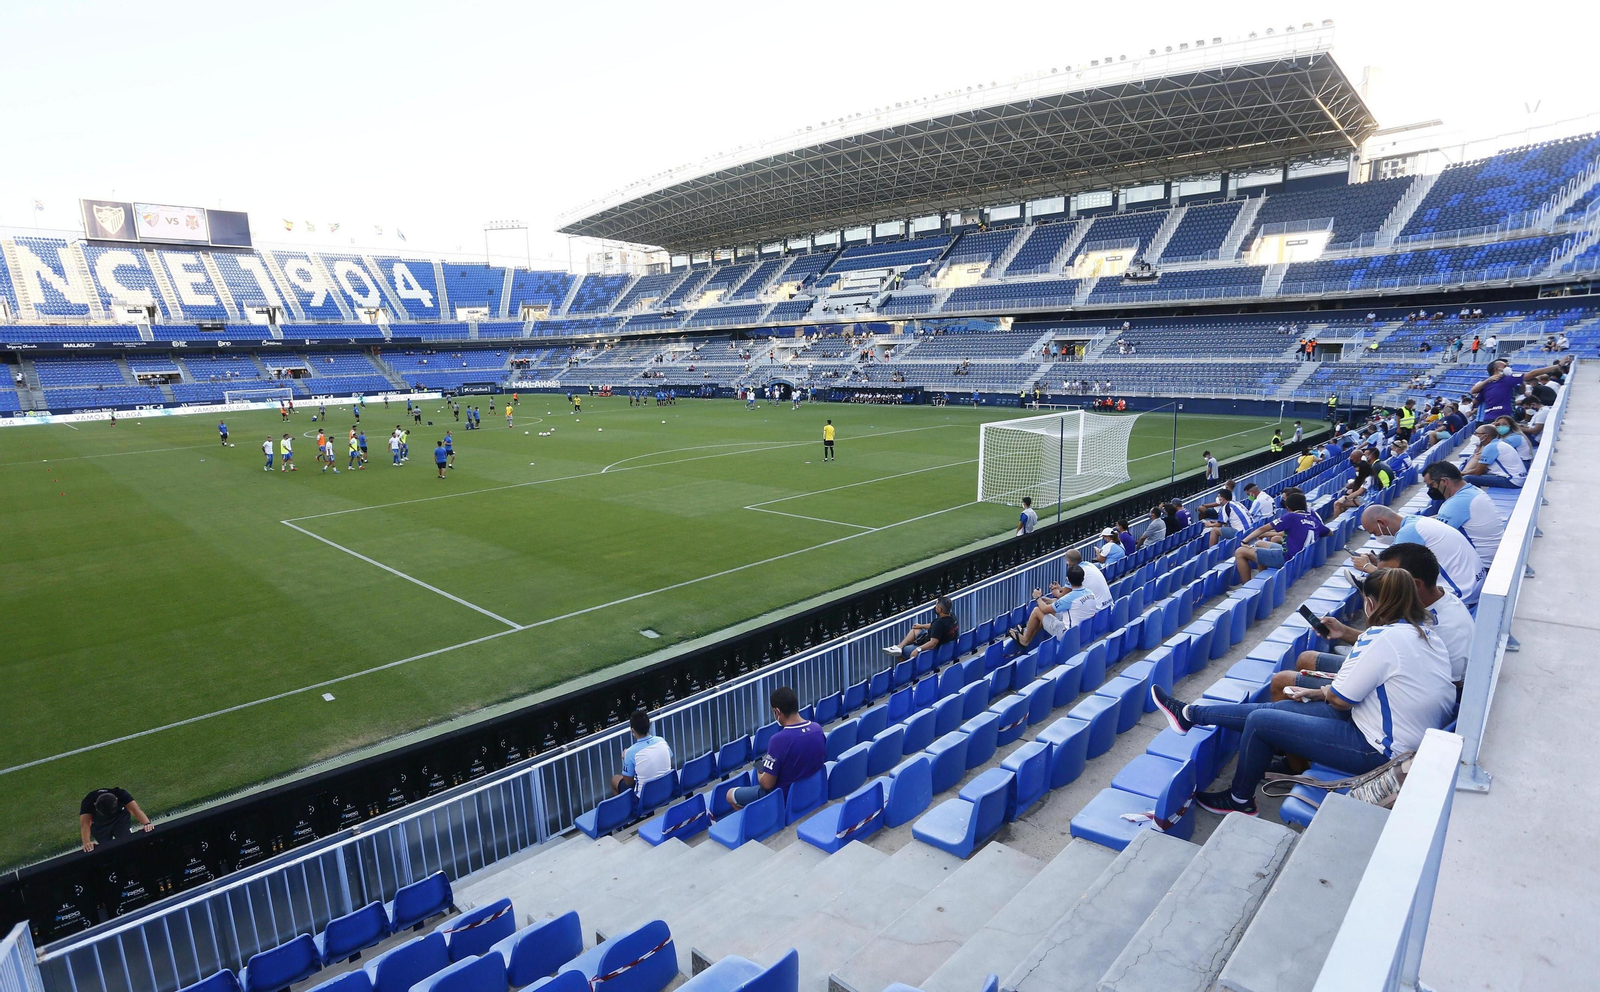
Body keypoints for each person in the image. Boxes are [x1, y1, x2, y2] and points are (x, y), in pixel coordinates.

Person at [1152, 567, 1454, 815]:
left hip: (1379, 751)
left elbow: (1341, 699)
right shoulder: (1427, 635)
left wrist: (1326, 693)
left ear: (1372, 604)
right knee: (1279, 709)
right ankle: (1190, 714)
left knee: (1261, 722)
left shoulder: (1381, 637)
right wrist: (1320, 693)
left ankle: (1239, 799)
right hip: (1388, 734)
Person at [1273, 542, 1472, 702]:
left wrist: (1338, 691)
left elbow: (1443, 691)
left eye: (1385, 578)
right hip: (1389, 673)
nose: (1376, 581)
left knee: (1282, 682)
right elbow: (1387, 644)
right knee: (1307, 658)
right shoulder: (1427, 602)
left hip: (1392, 696)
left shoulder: (1449, 628)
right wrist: (1344, 632)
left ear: (1414, 584)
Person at [1358, 505, 1484, 606]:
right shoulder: (1418, 521)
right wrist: (1377, 562)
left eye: (1374, 532)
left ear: (1381, 523)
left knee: (1392, 596)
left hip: (1463, 595)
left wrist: (1366, 567)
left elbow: (1394, 578)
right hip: (1474, 585)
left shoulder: (1408, 533)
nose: (1376, 536)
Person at [725, 687, 826, 810]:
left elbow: (767, 784)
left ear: (777, 711)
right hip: (811, 792)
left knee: (730, 794)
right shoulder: (817, 729)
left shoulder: (778, 740)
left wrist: (760, 771)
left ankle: (759, 819)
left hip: (782, 799)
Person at [1233, 490, 1330, 583]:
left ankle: (1246, 585)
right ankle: (1262, 577)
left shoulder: (1291, 516)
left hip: (1287, 558)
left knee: (1240, 551)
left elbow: (1262, 528)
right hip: (1299, 558)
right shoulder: (1313, 520)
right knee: (1260, 543)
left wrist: (1244, 541)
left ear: (1288, 508)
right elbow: (1329, 533)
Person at [1008, 565, 1098, 648]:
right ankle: (1028, 634)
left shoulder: (1070, 598)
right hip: (1086, 632)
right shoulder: (1090, 593)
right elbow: (1060, 603)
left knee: (1037, 611)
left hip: (1069, 636)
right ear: (1083, 578)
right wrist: (1056, 593)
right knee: (1051, 608)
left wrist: (1037, 597)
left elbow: (1044, 609)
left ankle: (1025, 640)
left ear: (1068, 580)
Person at [1471, 357, 1570, 422]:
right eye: (1505, 366)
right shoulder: (1488, 383)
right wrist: (1558, 366)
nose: (1508, 368)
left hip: (1499, 417)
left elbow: (1521, 391)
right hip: (1497, 418)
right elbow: (1533, 373)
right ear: (1497, 369)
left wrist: (1520, 380)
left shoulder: (1507, 380)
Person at [611, 709, 673, 796]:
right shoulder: (661, 741)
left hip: (645, 798)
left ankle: (626, 805)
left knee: (614, 780)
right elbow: (669, 761)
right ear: (649, 725)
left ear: (633, 731)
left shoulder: (630, 753)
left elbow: (628, 782)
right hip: (667, 790)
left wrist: (626, 759)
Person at [885, 596, 958, 663]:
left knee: (902, 652)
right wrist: (921, 626)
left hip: (932, 651)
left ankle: (907, 670)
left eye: (936, 605)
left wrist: (918, 649)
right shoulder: (952, 617)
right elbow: (933, 626)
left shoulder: (939, 624)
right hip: (946, 647)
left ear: (939, 609)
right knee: (915, 630)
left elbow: (933, 643)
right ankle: (899, 647)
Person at [79, 787, 152, 852]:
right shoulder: (88, 801)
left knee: (126, 841)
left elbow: (135, 810)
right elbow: (85, 823)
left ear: (117, 799)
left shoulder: (121, 794)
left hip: (120, 820)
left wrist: (147, 823)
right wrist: (86, 842)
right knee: (105, 847)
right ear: (95, 805)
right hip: (100, 825)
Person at [1461, 423, 1525, 489]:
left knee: (1467, 478)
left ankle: (1476, 495)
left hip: (1512, 481)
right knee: (1470, 475)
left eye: (1476, 433)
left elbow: (1477, 472)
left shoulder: (1491, 447)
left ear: (1485, 436)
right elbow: (1483, 469)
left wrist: (1461, 473)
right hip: (1517, 478)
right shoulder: (1496, 443)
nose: (1474, 435)